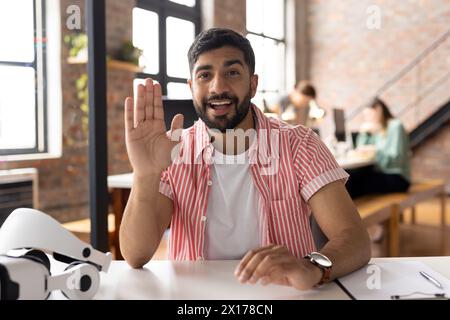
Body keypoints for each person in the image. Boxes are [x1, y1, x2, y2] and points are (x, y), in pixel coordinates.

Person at [119, 28, 370, 291]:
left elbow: (355, 239)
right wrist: (145, 174)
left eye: (232, 72)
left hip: (284, 296)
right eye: (205, 75)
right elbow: (136, 255)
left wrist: (312, 268)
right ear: (192, 87)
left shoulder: (299, 144)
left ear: (252, 83)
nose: (218, 87)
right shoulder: (173, 149)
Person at [346, 98, 411, 199]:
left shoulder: (395, 126)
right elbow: (360, 149)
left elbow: (396, 161)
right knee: (349, 176)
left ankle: (355, 213)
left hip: (398, 176)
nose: (368, 119)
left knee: (353, 183)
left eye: (369, 115)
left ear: (378, 110)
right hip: (380, 172)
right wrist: (364, 133)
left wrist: (374, 151)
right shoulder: (377, 129)